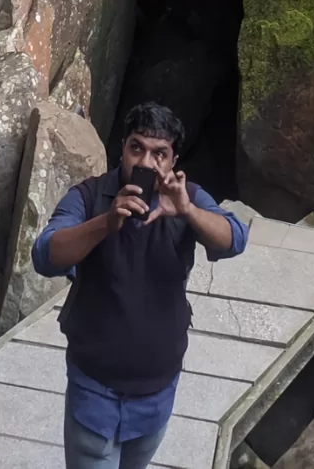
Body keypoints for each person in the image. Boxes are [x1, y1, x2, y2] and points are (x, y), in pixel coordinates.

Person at [31, 99, 248, 469]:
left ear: (173, 161)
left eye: (159, 153)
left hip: (157, 393)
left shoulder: (187, 198)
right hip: (95, 391)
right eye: (137, 149)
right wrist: (106, 221)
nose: (146, 163)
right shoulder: (89, 195)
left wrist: (188, 211)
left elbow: (235, 238)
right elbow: (46, 253)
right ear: (123, 149)